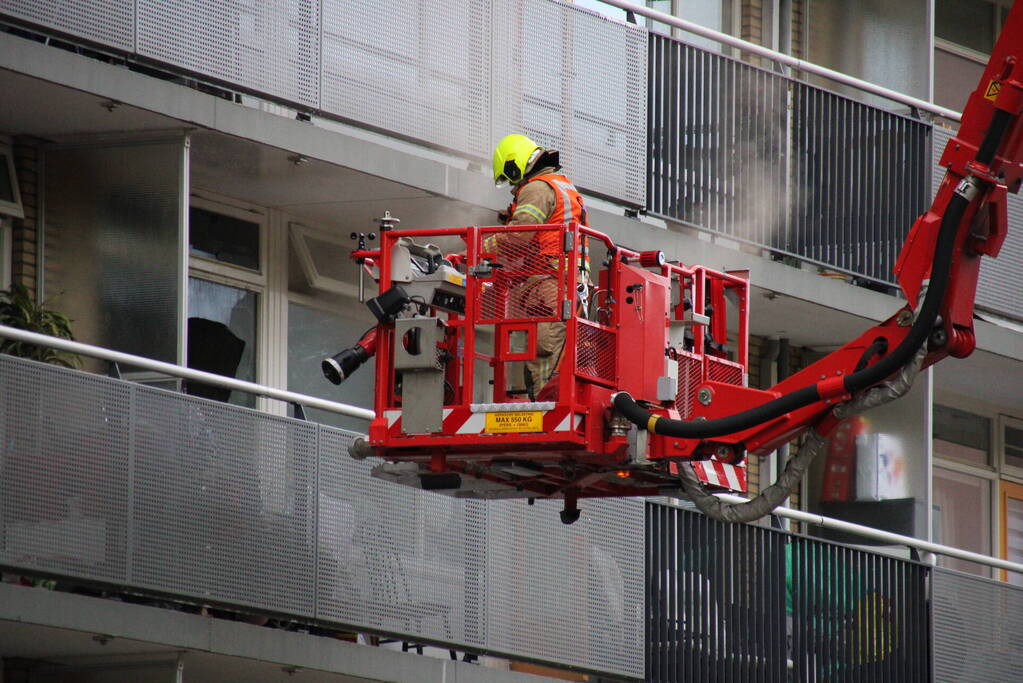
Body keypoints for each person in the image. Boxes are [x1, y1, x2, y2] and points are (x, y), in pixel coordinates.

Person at [488, 133, 589, 399]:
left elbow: (518, 235)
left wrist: (478, 249)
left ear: (515, 164)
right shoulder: (561, 185)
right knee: (556, 354)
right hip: (564, 284)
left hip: (549, 284)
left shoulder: (536, 188)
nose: (512, 186)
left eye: (511, 178)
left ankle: (545, 412)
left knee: (544, 356)